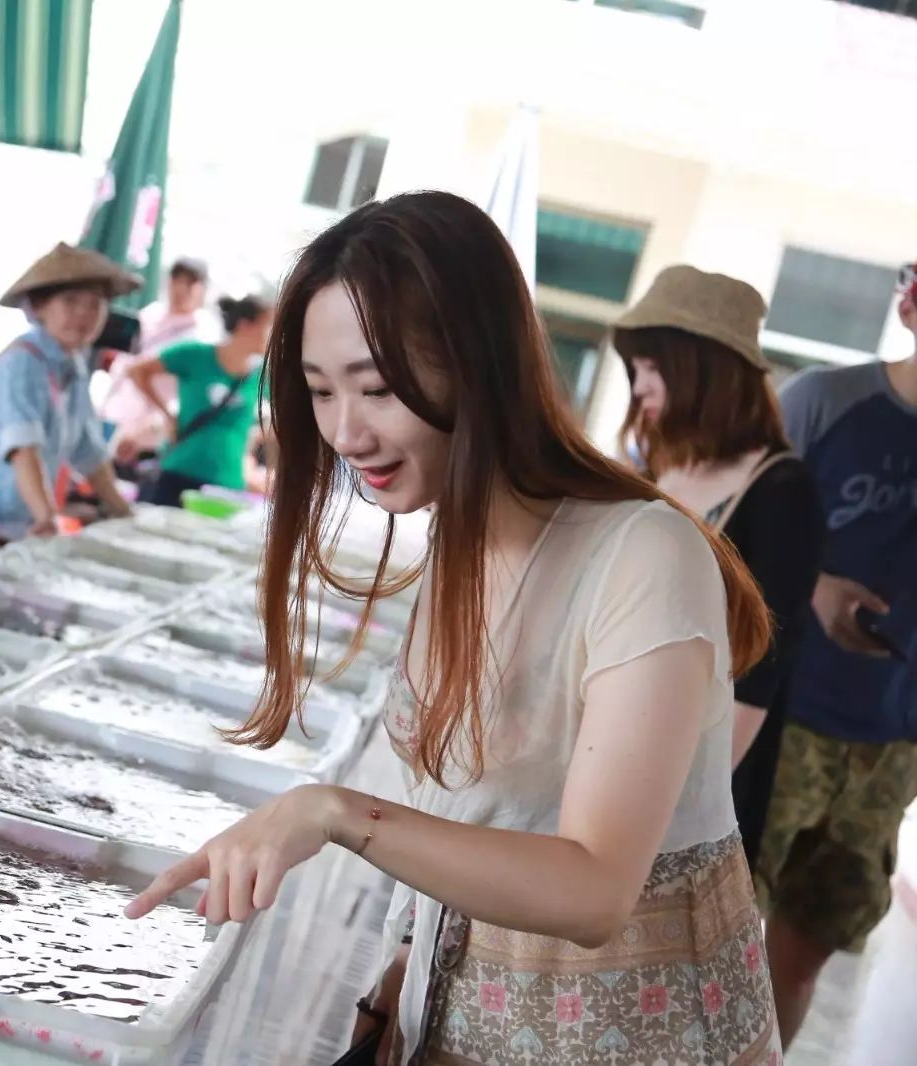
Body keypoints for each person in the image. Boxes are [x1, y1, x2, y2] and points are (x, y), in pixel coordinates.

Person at [124, 192, 781, 1064]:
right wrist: (403, 963)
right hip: (462, 1021)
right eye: (321, 392)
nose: (347, 431)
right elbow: (460, 803)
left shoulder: (642, 553)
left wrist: (333, 813)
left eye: (379, 387)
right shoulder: (459, 543)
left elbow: (595, 889)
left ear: (479, 361)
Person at [753, 264, 917, 1051]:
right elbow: (728, 536)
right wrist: (812, 586)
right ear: (909, 300)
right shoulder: (824, 401)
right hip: (778, 715)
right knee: (707, 928)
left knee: (804, 955)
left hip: (893, 742)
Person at [614, 265, 826, 866]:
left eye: (653, 369)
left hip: (699, 788)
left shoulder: (783, 492)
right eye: (636, 370)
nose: (639, 389)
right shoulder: (653, 467)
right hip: (616, 747)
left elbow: (761, 672)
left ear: (701, 370)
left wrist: (673, 807)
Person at [0, 244, 137, 563]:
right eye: (71, 301)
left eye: (95, 304)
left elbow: (90, 453)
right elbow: (23, 449)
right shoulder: (22, 361)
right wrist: (47, 518)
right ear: (39, 307)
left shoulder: (72, 367)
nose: (84, 314)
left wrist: (125, 514)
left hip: (12, 531)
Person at [123, 294, 272, 507]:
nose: (274, 337)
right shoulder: (195, 354)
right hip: (179, 473)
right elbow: (137, 371)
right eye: (269, 327)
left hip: (228, 484)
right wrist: (166, 415)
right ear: (245, 325)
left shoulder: (261, 376)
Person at [103, 258, 215, 465]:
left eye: (189, 283)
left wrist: (155, 424)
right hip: (115, 414)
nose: (180, 289)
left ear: (201, 289)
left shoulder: (204, 334)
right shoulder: (150, 314)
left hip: (152, 431)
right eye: (176, 280)